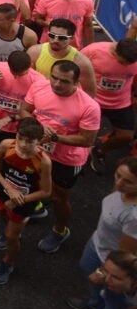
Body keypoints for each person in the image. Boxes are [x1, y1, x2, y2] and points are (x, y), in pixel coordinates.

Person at [20, 59, 100, 254]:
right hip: (38, 151)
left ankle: (60, 230)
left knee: (59, 198)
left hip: (66, 159)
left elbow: (87, 140)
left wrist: (55, 137)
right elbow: (23, 110)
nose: (56, 84)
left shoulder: (89, 106)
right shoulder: (39, 86)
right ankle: (37, 209)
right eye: (54, 78)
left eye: (64, 81)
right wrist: (37, 127)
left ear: (76, 83)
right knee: (32, 183)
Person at [67, 156, 137, 309]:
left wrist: (103, 272)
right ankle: (95, 305)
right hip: (98, 243)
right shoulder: (121, 190)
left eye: (128, 182)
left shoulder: (134, 216)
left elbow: (125, 256)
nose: (119, 183)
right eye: (118, 175)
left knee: (114, 302)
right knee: (89, 275)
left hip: (112, 262)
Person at [0, 117, 53, 285]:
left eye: (29, 141)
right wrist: (7, 188)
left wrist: (19, 199)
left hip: (24, 201)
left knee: (11, 235)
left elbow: (46, 191)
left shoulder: (43, 161)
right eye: (20, 138)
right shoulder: (6, 145)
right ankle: (12, 233)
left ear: (39, 141)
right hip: (3, 193)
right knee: (1, 215)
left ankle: (7, 263)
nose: (23, 144)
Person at [86, 40, 137, 175]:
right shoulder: (94, 50)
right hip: (93, 101)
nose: (126, 66)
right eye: (122, 62)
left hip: (121, 103)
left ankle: (99, 151)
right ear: (115, 52)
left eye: (129, 64)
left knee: (126, 137)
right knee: (84, 134)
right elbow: (77, 68)